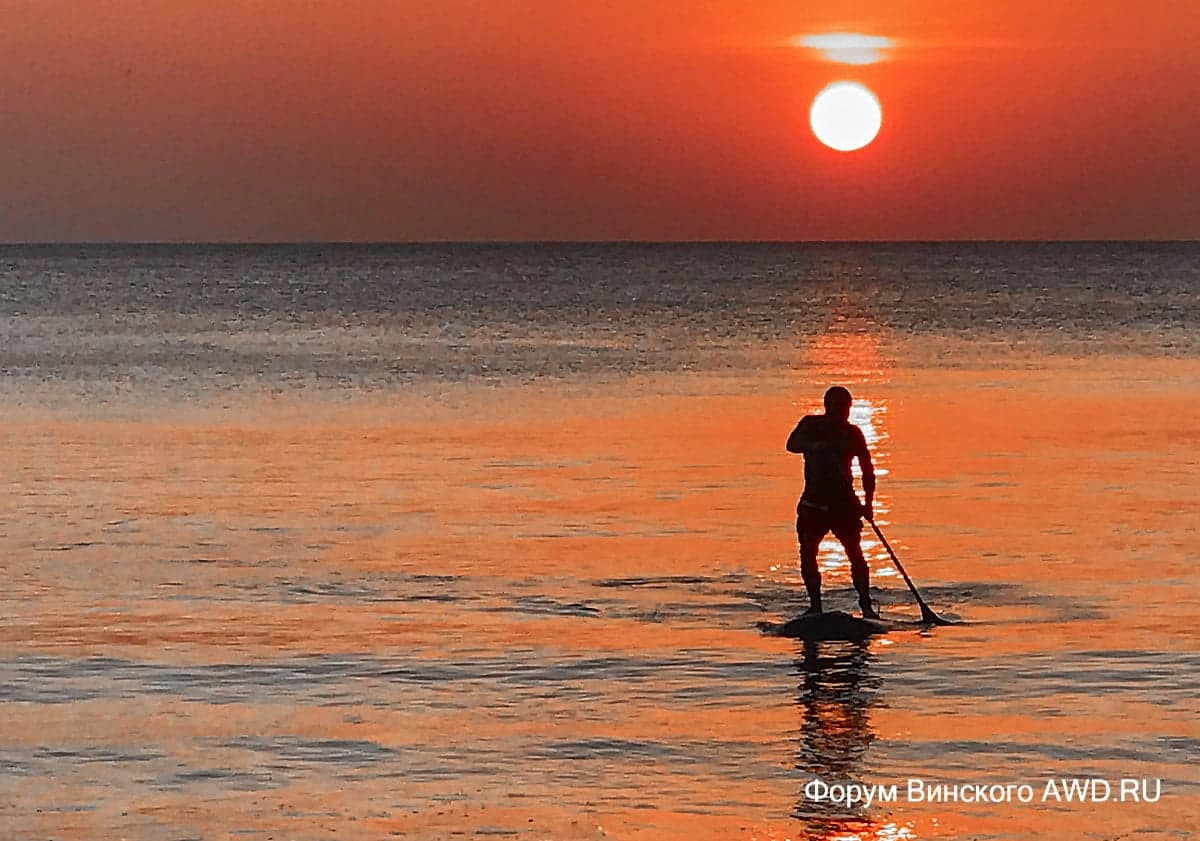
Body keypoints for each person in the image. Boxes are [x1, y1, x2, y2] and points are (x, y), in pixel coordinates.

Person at [786, 386, 878, 618]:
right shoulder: (810, 425)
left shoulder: (852, 433)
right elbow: (791, 445)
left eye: (846, 407)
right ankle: (815, 606)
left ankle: (866, 606)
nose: (844, 412)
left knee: (855, 553)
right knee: (808, 553)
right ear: (828, 406)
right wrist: (813, 446)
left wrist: (868, 504)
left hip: (844, 504)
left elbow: (868, 470)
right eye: (839, 407)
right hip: (813, 503)